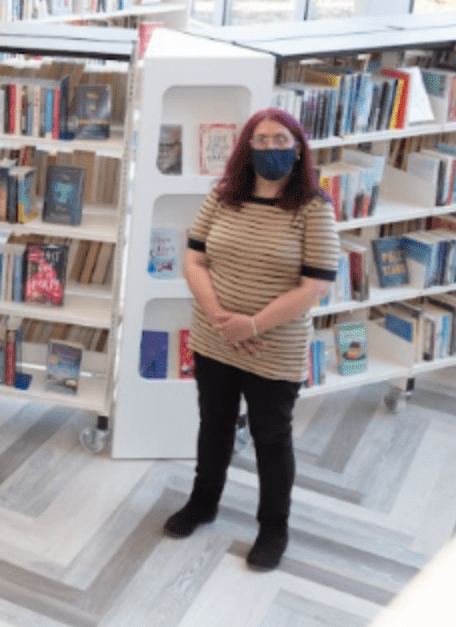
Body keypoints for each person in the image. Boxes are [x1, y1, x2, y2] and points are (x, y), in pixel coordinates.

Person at [162, 107, 340, 571]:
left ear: (298, 148)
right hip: (214, 335)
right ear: (247, 147)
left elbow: (316, 284)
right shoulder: (223, 197)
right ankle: (203, 503)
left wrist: (253, 325)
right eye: (260, 141)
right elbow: (195, 260)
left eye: (281, 140)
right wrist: (222, 317)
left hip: (273, 346)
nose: (270, 149)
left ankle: (273, 527)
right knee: (214, 423)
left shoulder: (314, 208)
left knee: (271, 436)